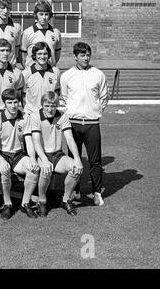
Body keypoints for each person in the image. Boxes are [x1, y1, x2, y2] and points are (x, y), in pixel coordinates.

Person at [60, 42, 109, 206]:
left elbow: (104, 96)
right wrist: (73, 112)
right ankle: (75, 192)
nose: (86, 58)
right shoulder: (66, 75)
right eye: (82, 55)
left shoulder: (98, 74)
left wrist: (95, 111)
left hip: (92, 123)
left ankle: (96, 192)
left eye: (88, 54)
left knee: (95, 161)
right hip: (73, 124)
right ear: (75, 56)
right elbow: (65, 97)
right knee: (74, 159)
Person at [0, 89, 40, 220]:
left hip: (18, 155)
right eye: (9, 102)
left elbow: (29, 141)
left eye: (15, 102)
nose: (13, 105)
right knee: (4, 171)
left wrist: (33, 159)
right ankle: (7, 204)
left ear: (19, 102)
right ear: (4, 103)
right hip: (2, 154)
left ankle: (25, 203)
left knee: (34, 169)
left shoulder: (24, 117)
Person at [31, 91, 84, 217]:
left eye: (53, 106)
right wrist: (44, 159)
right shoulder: (35, 116)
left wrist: (77, 159)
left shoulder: (63, 116)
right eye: (47, 106)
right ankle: (42, 201)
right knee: (45, 170)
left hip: (58, 155)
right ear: (42, 105)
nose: (50, 109)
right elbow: (36, 142)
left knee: (76, 168)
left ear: (57, 105)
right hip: (42, 154)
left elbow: (70, 139)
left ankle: (65, 200)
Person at [22, 42, 61, 116]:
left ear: (49, 55)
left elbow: (56, 94)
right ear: (34, 55)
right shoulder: (26, 73)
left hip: (49, 114)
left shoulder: (56, 72)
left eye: (45, 54)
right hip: (31, 114)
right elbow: (23, 96)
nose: (42, 57)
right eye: (39, 54)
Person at [20, 0, 61, 68]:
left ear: (50, 15)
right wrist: (29, 68)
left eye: (46, 14)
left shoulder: (56, 32)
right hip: (32, 73)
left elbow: (57, 55)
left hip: (50, 72)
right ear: (36, 15)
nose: (44, 17)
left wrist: (50, 66)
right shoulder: (27, 32)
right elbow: (22, 56)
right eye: (41, 14)